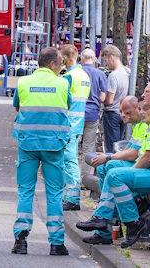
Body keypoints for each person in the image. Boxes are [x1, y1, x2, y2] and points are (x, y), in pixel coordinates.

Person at [77, 81, 150, 248]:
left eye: (146, 92)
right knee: (112, 170)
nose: (143, 95)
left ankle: (131, 222)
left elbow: (148, 157)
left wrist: (129, 174)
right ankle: (104, 223)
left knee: (115, 176)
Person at [10, 46, 71, 256]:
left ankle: (21, 240)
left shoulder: (24, 82)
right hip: (54, 145)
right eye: (60, 64)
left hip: (28, 144)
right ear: (52, 64)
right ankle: (57, 243)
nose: (61, 68)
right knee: (54, 192)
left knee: (25, 190)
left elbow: (17, 106)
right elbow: (67, 105)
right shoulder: (63, 83)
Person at [83, 96, 146, 193]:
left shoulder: (144, 125)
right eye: (120, 112)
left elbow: (133, 154)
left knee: (111, 165)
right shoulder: (136, 125)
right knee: (101, 168)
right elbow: (128, 148)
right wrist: (107, 157)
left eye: (127, 112)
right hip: (135, 162)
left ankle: (110, 199)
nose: (123, 115)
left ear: (138, 109)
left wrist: (108, 157)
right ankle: (105, 197)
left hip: (140, 165)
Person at [58, 44, 92, 212]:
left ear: (65, 58)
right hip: (78, 122)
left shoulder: (69, 76)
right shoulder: (84, 75)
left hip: (68, 123)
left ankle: (72, 197)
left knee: (69, 159)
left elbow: (61, 101)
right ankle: (70, 196)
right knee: (71, 158)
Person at [80, 49, 109, 170]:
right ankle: (85, 176)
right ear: (94, 60)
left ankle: (70, 177)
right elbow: (102, 98)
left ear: (82, 59)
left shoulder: (76, 72)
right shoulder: (100, 74)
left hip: (76, 113)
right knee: (88, 146)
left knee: (72, 145)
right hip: (92, 113)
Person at [101, 45, 130, 153]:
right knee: (120, 146)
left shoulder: (113, 75)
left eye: (106, 61)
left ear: (111, 57)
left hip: (111, 113)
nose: (106, 64)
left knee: (112, 147)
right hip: (122, 113)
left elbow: (109, 100)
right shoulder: (127, 72)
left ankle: (111, 163)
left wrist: (101, 98)